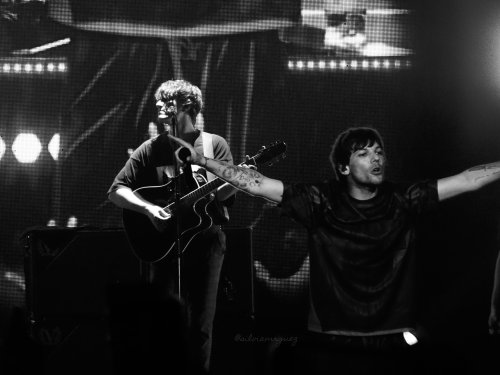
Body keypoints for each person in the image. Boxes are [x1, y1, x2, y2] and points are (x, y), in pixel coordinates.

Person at [170, 126, 500, 373]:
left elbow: (467, 179)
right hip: (331, 343)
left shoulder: (402, 199)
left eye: (379, 151)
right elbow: (253, 183)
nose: (377, 158)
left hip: (391, 340)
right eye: (365, 153)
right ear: (343, 167)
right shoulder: (319, 200)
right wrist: (201, 159)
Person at [107, 79, 237, 374]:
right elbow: (116, 190)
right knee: (159, 323)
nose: (160, 108)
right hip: (163, 245)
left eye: (169, 103)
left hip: (205, 241)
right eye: (159, 103)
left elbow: (224, 196)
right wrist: (149, 208)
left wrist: (236, 181)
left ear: (189, 107)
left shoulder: (213, 145)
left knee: (201, 325)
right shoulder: (150, 149)